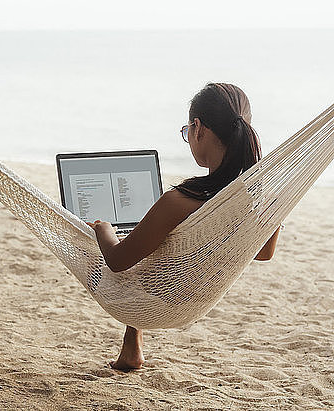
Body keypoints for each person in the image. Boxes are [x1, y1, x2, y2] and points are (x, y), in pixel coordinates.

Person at [86, 83, 281, 371]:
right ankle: (131, 348)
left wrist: (105, 231)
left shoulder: (178, 202)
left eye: (186, 132)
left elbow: (116, 261)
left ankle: (132, 338)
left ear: (198, 128)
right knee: (160, 248)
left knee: (93, 254)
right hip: (196, 300)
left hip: (158, 301)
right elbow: (264, 253)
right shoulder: (260, 199)